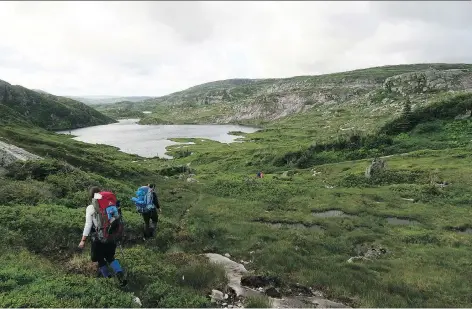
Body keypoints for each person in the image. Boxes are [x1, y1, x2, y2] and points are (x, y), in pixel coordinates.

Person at [78, 186, 127, 287]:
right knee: (110, 257)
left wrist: (83, 240)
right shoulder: (111, 205)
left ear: (91, 196)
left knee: (100, 259)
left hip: (99, 238)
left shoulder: (91, 207)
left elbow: (88, 225)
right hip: (112, 235)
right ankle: (120, 274)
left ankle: (108, 280)